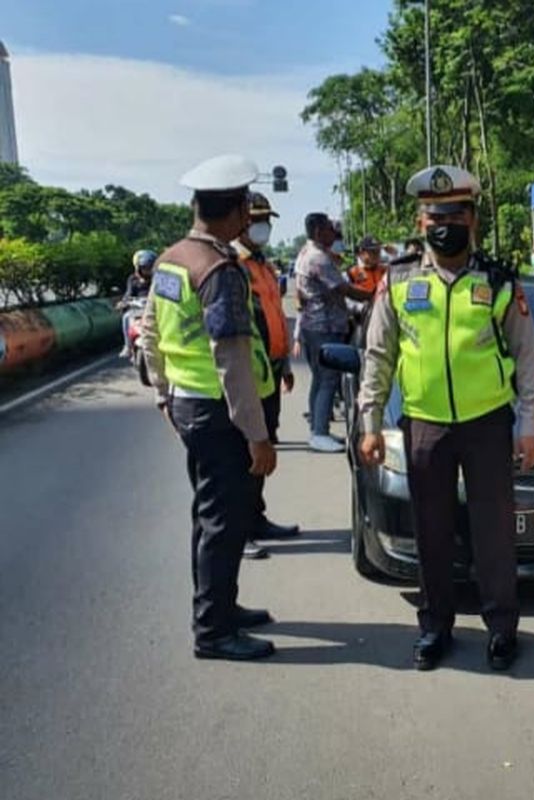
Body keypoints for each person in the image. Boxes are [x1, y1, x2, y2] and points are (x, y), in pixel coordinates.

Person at [358, 165, 534, 672]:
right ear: (421, 223)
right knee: (431, 531)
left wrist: (530, 424)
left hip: (488, 424)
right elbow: (378, 354)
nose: (445, 223)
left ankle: (502, 628)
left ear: (473, 220)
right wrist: (369, 419)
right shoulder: (397, 281)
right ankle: (434, 626)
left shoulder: (499, 281)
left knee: (493, 533)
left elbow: (528, 358)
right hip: (423, 425)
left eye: (455, 214)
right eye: (434, 215)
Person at [140, 154, 278, 661]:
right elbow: (232, 358)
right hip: (221, 413)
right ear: (238, 210)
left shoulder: (172, 259)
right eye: (247, 206)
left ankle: (221, 607)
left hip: (189, 404)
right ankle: (214, 632)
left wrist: (162, 393)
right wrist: (257, 434)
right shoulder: (219, 270)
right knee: (225, 520)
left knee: (209, 515)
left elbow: (149, 333)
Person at [233, 192, 301, 559]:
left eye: (267, 220)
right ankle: (239, 530)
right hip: (247, 374)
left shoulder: (264, 265)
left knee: (265, 447)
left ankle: (255, 517)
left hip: (271, 369)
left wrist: (285, 363)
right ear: (241, 221)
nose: (264, 226)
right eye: (257, 219)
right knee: (245, 453)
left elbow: (275, 314)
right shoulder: (233, 265)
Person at [294, 212, 373, 452]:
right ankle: (319, 433)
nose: (334, 233)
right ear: (319, 232)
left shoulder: (308, 253)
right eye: (330, 229)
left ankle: (319, 429)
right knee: (328, 379)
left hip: (315, 326)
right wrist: (375, 295)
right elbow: (343, 289)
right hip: (323, 327)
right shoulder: (318, 258)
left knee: (320, 379)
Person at [118, 249, 156, 357]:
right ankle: (128, 346)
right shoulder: (132, 279)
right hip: (138, 309)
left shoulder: (157, 279)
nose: (147, 271)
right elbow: (128, 294)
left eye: (149, 268)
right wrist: (124, 302)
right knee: (126, 317)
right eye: (144, 268)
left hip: (153, 308)